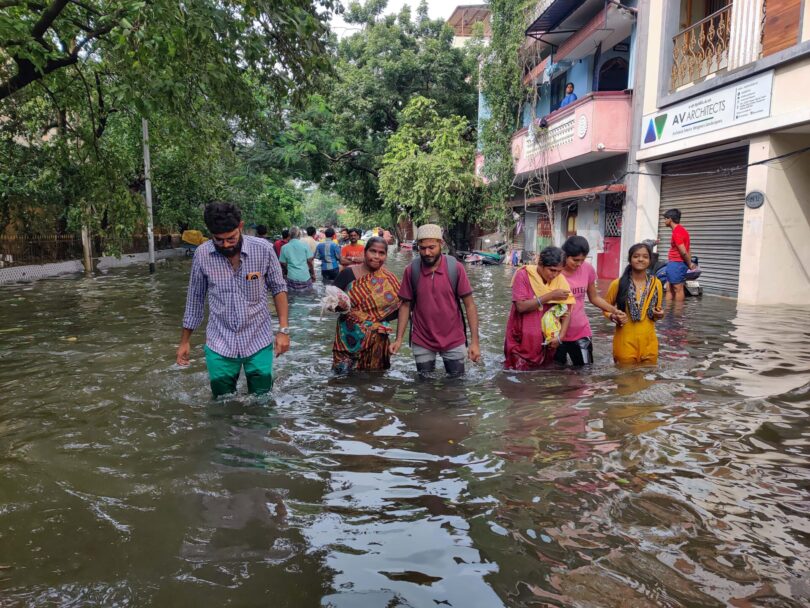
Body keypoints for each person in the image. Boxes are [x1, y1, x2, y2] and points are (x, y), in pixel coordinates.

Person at [176, 202, 290, 397]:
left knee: (263, 398)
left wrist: (283, 330)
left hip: (258, 339)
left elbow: (279, 289)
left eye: (231, 238)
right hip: (219, 342)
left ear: (241, 226)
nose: (226, 245)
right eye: (219, 240)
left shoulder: (263, 249)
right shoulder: (202, 255)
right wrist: (185, 341)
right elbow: (195, 298)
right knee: (221, 400)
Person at [390, 224, 481, 377]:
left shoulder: (455, 268)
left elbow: (470, 305)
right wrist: (398, 340)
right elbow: (405, 306)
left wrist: (475, 343)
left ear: (441, 244)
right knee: (424, 387)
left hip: (454, 338)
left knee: (456, 387)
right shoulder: (411, 271)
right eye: (422, 248)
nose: (427, 252)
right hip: (422, 338)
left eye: (431, 247)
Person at [331, 237, 401, 373]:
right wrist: (339, 306)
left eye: (381, 253)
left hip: (376, 340)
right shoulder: (347, 274)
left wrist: (372, 322)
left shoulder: (390, 279)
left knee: (373, 380)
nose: (376, 256)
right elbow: (330, 302)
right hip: (348, 338)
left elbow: (399, 309)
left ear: (386, 256)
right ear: (365, 252)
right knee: (341, 379)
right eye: (372, 251)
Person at [557, 236, 627, 366]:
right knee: (555, 375)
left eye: (582, 260)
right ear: (565, 255)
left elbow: (594, 298)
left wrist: (614, 311)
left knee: (585, 373)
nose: (578, 264)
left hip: (580, 331)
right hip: (555, 333)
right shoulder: (554, 271)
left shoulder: (587, 269)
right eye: (575, 260)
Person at [504, 246, 575, 371]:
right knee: (516, 380)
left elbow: (566, 311)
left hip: (546, 343)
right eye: (552, 270)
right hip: (521, 341)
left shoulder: (560, 281)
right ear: (540, 264)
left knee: (542, 380)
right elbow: (520, 306)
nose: (555, 275)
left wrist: (560, 337)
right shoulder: (524, 275)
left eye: (559, 271)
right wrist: (550, 296)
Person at [604, 242, 665, 365]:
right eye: (636, 256)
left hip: (649, 343)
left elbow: (657, 312)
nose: (640, 259)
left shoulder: (656, 284)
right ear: (630, 259)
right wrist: (613, 316)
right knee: (626, 380)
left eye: (645, 256)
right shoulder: (618, 284)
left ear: (650, 260)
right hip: (625, 342)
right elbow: (605, 307)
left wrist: (660, 314)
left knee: (647, 381)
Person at [662, 208, 696, 301]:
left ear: (670, 219)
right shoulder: (681, 230)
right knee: (669, 288)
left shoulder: (677, 232)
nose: (664, 221)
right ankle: (669, 312)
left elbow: (684, 251)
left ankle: (678, 313)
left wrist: (689, 264)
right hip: (675, 263)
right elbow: (688, 249)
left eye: (665, 218)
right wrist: (690, 263)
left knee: (678, 289)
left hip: (677, 263)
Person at [279, 226, 315, 291]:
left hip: (291, 277)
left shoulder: (284, 247)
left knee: (292, 298)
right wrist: (313, 274)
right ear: (299, 235)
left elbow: (283, 263)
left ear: (289, 235)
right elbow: (309, 261)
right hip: (305, 276)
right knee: (307, 296)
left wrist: (290, 268)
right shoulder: (305, 245)